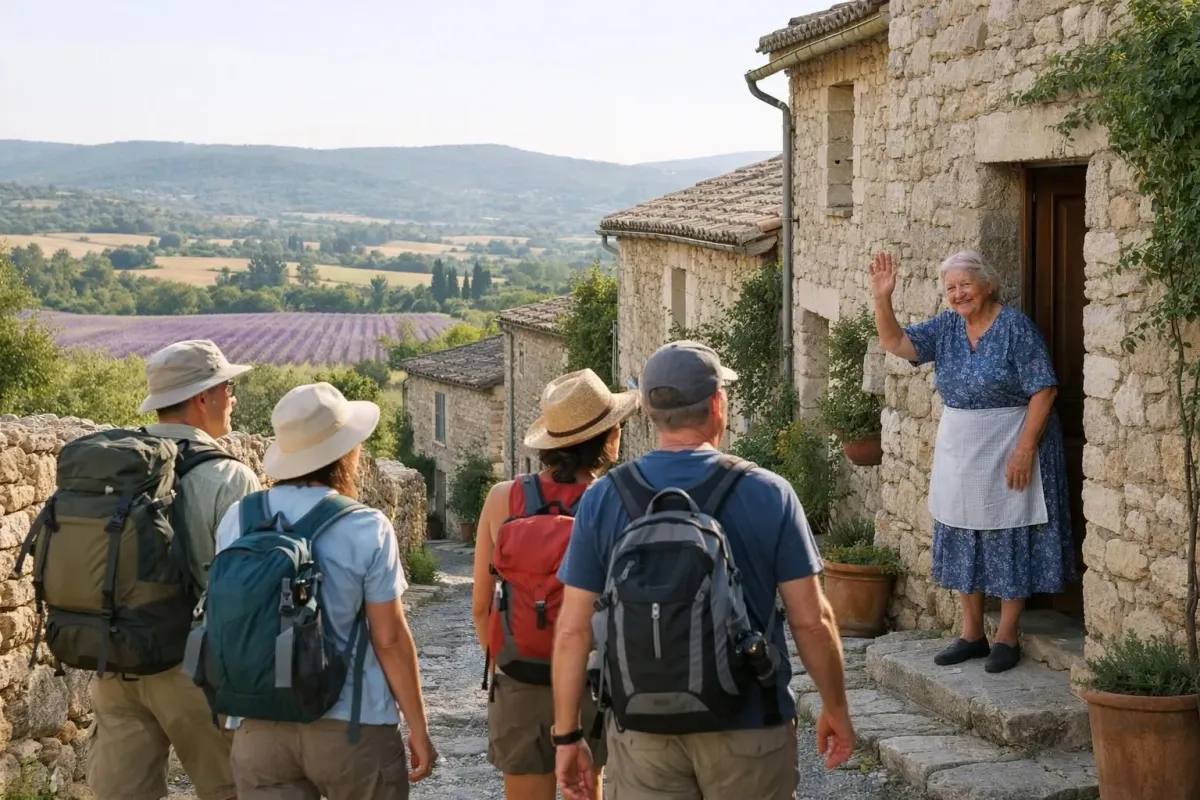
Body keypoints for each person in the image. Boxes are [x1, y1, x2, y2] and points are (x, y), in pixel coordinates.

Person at [551, 341, 856, 800]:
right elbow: (812, 620)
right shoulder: (770, 493)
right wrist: (835, 706)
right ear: (718, 404)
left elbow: (573, 632)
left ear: (649, 411)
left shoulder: (603, 498)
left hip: (643, 733)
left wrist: (567, 735)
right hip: (749, 723)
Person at [214, 381, 436, 799]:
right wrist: (418, 726)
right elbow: (388, 639)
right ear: (346, 452)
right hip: (352, 726)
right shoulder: (366, 526)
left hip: (259, 723)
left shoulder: (237, 519)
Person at [868, 250, 1073, 674]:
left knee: (1010, 530)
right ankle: (971, 633)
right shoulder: (946, 328)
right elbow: (894, 342)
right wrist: (882, 298)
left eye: (965, 284)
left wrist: (1025, 449)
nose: (958, 294)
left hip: (1011, 442)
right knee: (962, 529)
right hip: (962, 448)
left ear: (988, 285)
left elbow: (1044, 390)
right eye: (951, 288)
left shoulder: (1016, 328)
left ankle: (1007, 635)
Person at [88, 339, 261, 800]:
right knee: (232, 789)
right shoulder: (229, 476)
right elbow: (243, 591)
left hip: (115, 664)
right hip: (191, 667)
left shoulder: (115, 464)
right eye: (227, 387)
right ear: (203, 398)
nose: (233, 397)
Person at [472, 368, 639, 800]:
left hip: (518, 678)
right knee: (587, 789)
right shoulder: (615, 502)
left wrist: (510, 661)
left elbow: (480, 605)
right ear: (607, 438)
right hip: (589, 678)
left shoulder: (502, 498)